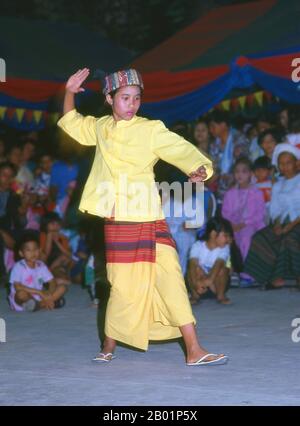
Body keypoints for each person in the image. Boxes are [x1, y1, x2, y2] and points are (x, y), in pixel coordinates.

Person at [57, 67, 228, 366]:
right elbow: (71, 122)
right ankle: (109, 343)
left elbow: (179, 148)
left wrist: (197, 168)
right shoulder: (100, 128)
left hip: (149, 215)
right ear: (109, 99)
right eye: (124, 98)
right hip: (119, 217)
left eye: (136, 98)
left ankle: (194, 349)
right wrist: (69, 92)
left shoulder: (150, 129)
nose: (132, 104)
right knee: (122, 286)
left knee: (171, 277)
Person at [244, 143, 300, 289]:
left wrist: (287, 227)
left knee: (289, 238)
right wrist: (276, 225)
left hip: (296, 223)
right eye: (281, 164)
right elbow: (275, 210)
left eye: (288, 163)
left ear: (297, 163)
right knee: (260, 237)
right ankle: (262, 276)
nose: (284, 167)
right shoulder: (278, 184)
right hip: (282, 223)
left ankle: (284, 276)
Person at [222, 157, 266, 287]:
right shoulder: (230, 193)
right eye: (237, 171)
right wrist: (231, 225)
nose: (240, 175)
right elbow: (225, 213)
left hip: (251, 225)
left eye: (244, 171)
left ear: (251, 174)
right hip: (233, 226)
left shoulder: (256, 193)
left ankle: (247, 274)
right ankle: (231, 271)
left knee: (246, 237)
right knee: (227, 237)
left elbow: (259, 214)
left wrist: (243, 223)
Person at [8, 231, 67, 312]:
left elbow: (52, 282)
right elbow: (18, 287)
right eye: (28, 250)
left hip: (39, 297)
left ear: (39, 250)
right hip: (25, 298)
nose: (33, 253)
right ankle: (47, 303)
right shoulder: (18, 266)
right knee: (20, 294)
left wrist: (49, 294)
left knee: (62, 287)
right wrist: (39, 292)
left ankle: (41, 304)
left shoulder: (41, 265)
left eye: (35, 249)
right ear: (21, 253)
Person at [187, 217, 232, 305]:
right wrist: (196, 284)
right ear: (213, 234)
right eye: (225, 235)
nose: (228, 239)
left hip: (216, 285)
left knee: (223, 269)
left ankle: (221, 295)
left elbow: (218, 264)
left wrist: (209, 281)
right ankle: (194, 295)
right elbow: (192, 264)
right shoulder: (197, 246)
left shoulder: (224, 249)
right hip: (199, 286)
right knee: (193, 268)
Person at [208, 110, 249, 206]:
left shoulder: (239, 139)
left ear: (223, 125)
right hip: (220, 192)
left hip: (239, 189)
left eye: (213, 126)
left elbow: (243, 165)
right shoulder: (214, 145)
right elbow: (214, 169)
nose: (211, 130)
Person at [40, 212, 72, 286]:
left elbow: (69, 255)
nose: (56, 226)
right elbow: (45, 254)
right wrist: (49, 236)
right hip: (44, 263)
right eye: (52, 224)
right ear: (45, 225)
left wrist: (57, 242)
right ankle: (47, 276)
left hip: (56, 264)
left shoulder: (63, 237)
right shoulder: (42, 235)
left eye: (58, 224)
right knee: (41, 254)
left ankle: (51, 274)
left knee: (65, 258)